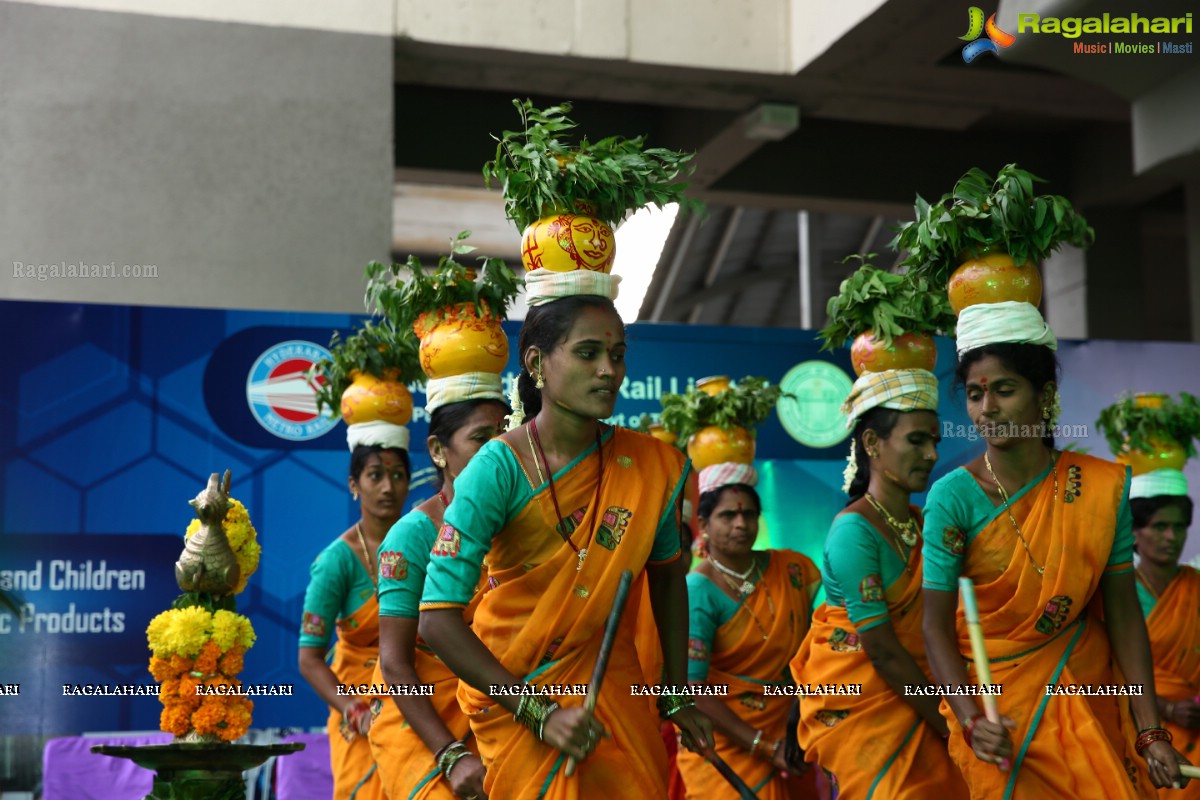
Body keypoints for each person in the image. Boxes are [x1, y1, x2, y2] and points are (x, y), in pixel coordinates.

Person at [418, 268, 712, 799]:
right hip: (518, 705)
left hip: (616, 705)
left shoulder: (650, 465)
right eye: (587, 353)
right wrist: (537, 711)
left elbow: (669, 579)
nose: (609, 371)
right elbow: (438, 621)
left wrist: (676, 694)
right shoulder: (497, 468)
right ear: (536, 363)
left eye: (618, 354)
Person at [921, 301, 1190, 798]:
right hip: (998, 719)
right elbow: (934, 625)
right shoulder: (952, 497)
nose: (987, 409)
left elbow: (1124, 615)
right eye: (975, 395)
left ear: (1044, 396)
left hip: (1087, 699)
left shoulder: (1098, 487)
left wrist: (1151, 730)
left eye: (1004, 390)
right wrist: (969, 718)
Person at [790, 368, 968, 799]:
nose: (929, 454)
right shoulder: (854, 531)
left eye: (935, 441)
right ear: (872, 444)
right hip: (878, 719)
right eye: (916, 440)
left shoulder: (923, 524)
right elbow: (884, 650)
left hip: (929, 705)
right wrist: (949, 721)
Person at [369, 395, 509, 800]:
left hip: (499, 712)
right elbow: (394, 664)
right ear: (438, 451)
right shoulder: (413, 535)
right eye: (481, 437)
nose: (498, 450)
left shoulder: (521, 527)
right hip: (423, 730)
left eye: (505, 435)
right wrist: (449, 754)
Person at [677, 462, 821, 799]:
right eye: (728, 516)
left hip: (793, 738)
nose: (741, 524)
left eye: (751, 514)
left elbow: (815, 647)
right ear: (704, 525)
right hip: (727, 751)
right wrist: (765, 746)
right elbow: (692, 690)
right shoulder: (698, 589)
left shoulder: (791, 570)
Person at [299, 434, 409, 800]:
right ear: (354, 485)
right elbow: (310, 659)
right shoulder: (336, 562)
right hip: (363, 705)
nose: (388, 487)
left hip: (418, 697)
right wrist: (354, 709)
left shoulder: (427, 541)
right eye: (375, 475)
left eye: (397, 475)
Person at [1130, 468, 1200, 797]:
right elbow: (1104, 681)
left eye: (1179, 527)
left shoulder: (1196, 586)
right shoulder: (1116, 596)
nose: (1172, 537)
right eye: (1160, 526)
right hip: (1140, 736)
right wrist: (1168, 710)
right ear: (1133, 532)